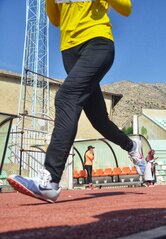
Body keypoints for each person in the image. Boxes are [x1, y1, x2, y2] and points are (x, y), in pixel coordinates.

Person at [7, 0, 145, 203]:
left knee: (65, 97)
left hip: (97, 42)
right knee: (99, 121)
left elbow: (126, 8)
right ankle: (132, 145)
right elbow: (56, 20)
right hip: (69, 51)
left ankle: (50, 181)